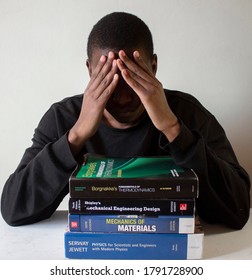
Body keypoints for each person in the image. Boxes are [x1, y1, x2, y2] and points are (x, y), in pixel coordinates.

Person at [1, 12, 250, 228]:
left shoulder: (187, 113)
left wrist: (174, 129)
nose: (121, 99)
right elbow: (13, 209)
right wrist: (75, 137)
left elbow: (239, 210)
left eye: (133, 78)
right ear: (90, 70)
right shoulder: (63, 117)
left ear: (153, 66)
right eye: (110, 79)